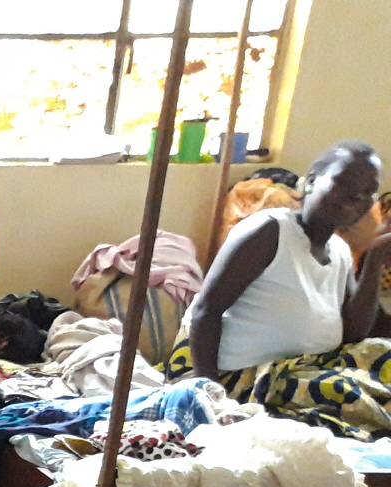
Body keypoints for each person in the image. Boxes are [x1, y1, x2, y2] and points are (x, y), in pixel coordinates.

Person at [167, 142, 391, 438]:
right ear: (311, 181)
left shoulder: (339, 251)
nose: (357, 197)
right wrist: (212, 399)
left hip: (306, 373)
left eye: (369, 191)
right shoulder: (269, 232)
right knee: (345, 395)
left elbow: (354, 334)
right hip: (239, 379)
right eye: (344, 183)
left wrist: (374, 257)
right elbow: (205, 312)